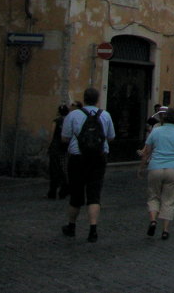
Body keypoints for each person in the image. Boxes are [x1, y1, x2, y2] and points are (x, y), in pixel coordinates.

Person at [60, 86, 116, 243]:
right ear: (98, 100)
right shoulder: (105, 115)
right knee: (94, 195)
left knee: (76, 194)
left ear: (84, 99)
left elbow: (64, 138)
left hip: (77, 158)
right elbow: (111, 137)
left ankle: (71, 226)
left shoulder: (73, 115)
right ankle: (93, 230)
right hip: (98, 158)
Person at [139, 107, 174, 239]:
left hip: (155, 167)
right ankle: (165, 230)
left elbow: (146, 152)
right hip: (173, 169)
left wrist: (141, 167)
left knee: (153, 196)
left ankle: (153, 220)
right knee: (169, 200)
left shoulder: (156, 131)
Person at [47, 104, 69, 199]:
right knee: (63, 169)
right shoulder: (68, 122)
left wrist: (48, 146)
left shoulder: (56, 121)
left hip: (55, 147)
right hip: (64, 148)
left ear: (59, 112)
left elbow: (51, 135)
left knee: (54, 170)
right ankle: (64, 189)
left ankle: (53, 191)